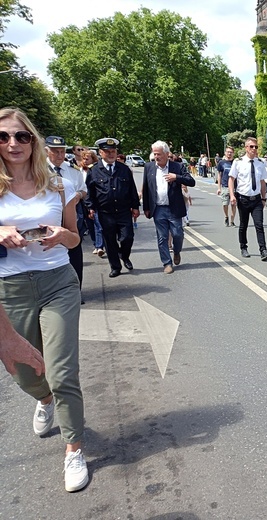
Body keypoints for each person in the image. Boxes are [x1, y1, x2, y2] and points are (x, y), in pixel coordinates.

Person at [0, 107, 88, 492]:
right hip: (11, 287)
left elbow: (75, 238)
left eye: (20, 136)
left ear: (32, 140)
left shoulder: (57, 184)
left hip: (57, 282)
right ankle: (45, 397)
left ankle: (73, 449)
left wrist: (58, 235)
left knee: (64, 370)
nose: (12, 144)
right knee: (23, 371)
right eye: (2, 137)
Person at [84, 138, 140, 278]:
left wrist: (135, 206)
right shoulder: (94, 171)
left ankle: (124, 255)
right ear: (101, 153)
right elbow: (89, 192)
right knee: (109, 241)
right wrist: (90, 208)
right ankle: (115, 267)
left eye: (113, 151)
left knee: (128, 237)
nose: (111, 154)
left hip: (123, 211)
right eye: (107, 152)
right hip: (105, 213)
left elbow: (132, 189)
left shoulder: (124, 169)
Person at [141, 141, 195, 274]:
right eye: (154, 154)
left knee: (178, 234)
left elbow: (191, 181)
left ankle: (177, 251)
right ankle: (166, 263)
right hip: (158, 208)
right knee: (162, 237)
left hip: (174, 208)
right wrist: (146, 207)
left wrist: (176, 177)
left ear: (166, 154)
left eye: (159, 154)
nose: (156, 157)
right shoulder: (149, 167)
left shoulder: (177, 166)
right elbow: (146, 188)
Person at [45, 136, 87, 296]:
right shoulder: (38, 170)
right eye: (55, 152)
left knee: (75, 255)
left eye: (62, 151)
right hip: (50, 221)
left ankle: (77, 291)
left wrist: (77, 195)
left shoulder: (73, 170)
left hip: (72, 219)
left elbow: (84, 190)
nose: (60, 155)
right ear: (46, 152)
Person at [229, 137, 267, 261]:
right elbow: (231, 179)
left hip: (257, 199)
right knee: (244, 224)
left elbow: (262, 182)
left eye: (256, 147)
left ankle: (263, 250)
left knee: (259, 225)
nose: (254, 149)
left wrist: (264, 198)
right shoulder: (238, 162)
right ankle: (243, 247)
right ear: (246, 148)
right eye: (251, 146)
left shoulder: (260, 163)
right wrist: (232, 195)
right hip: (243, 198)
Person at [0, 303, 45, 377]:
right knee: (29, 379)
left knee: (63, 376)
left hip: (57, 296)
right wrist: (6, 337)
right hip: (10, 300)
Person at [79, 150, 104, 257]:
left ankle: (99, 247)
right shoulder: (77, 171)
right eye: (83, 158)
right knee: (89, 225)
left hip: (93, 202)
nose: (85, 161)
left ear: (93, 159)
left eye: (87, 159)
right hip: (81, 202)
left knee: (98, 224)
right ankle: (95, 244)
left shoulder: (94, 170)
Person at [217, 146, 237, 227]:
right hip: (225, 186)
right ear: (225, 153)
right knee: (225, 204)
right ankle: (226, 216)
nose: (229, 154)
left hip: (235, 187)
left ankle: (232, 220)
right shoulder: (222, 163)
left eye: (231, 152)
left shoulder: (236, 162)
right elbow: (219, 175)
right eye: (228, 152)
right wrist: (219, 187)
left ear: (233, 153)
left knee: (233, 204)